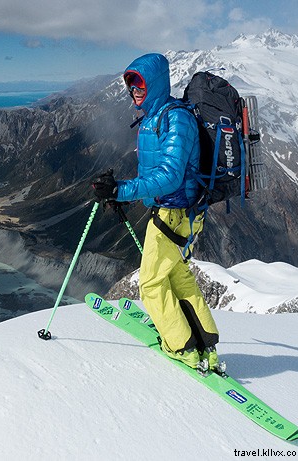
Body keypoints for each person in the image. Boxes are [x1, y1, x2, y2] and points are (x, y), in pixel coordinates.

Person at [89, 53, 221, 373]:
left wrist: (122, 190)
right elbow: (158, 175)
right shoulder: (154, 117)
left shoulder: (176, 119)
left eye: (140, 82)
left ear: (156, 82)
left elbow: (170, 176)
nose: (134, 88)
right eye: (130, 82)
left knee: (150, 283)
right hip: (175, 211)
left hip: (174, 213)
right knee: (177, 277)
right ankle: (205, 345)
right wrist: (126, 194)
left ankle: (180, 346)